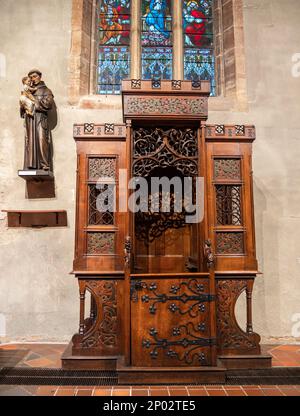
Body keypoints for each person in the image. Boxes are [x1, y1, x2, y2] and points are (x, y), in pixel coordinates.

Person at [20, 69, 54, 171]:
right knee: (29, 141)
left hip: (40, 118)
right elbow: (22, 109)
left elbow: (48, 104)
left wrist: (34, 103)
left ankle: (44, 165)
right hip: (30, 119)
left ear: (40, 76)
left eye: (34, 76)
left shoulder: (46, 90)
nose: (33, 79)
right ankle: (30, 165)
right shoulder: (28, 90)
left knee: (42, 140)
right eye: (31, 77)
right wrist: (23, 105)